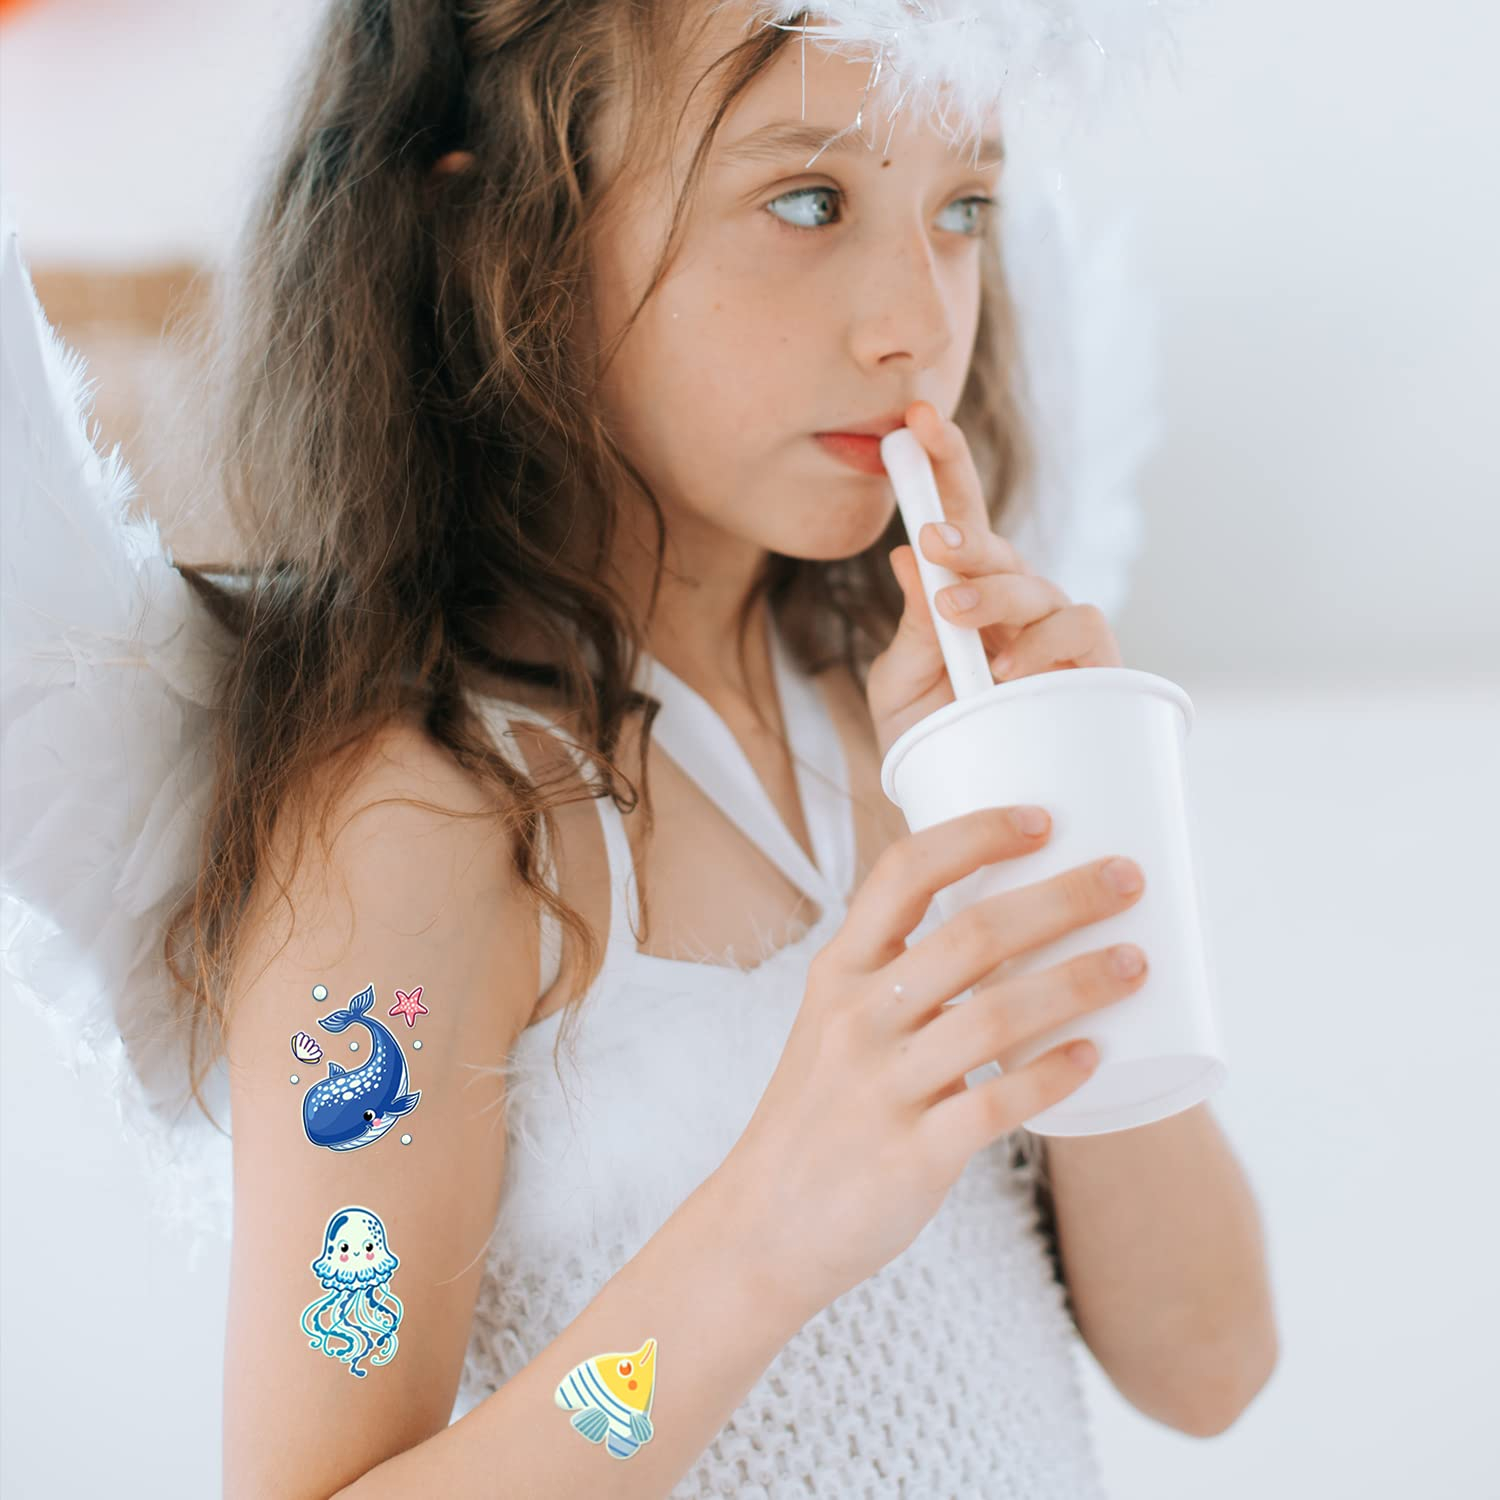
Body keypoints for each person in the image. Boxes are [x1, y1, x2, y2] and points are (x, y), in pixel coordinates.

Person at [0, 0, 1278, 1495]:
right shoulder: (418, 832)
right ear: (506, 232)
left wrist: (1061, 858)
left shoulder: (905, 732)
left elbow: (1211, 1365)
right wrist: (767, 1237)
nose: (920, 324)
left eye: (964, 209)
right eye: (809, 200)